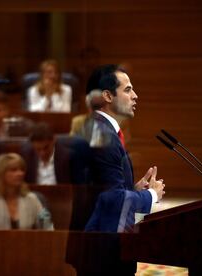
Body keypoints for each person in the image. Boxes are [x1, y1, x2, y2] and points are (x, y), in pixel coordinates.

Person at [67, 64, 165, 275]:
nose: (135, 96)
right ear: (108, 96)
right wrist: (150, 195)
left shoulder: (97, 129)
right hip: (103, 250)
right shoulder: (104, 137)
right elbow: (113, 200)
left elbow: (101, 190)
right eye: (128, 90)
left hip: (96, 243)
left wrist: (133, 189)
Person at [0, 153, 53, 230]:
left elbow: (47, 225)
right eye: (13, 170)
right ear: (1, 173)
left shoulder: (33, 199)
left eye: (22, 170)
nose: (20, 173)